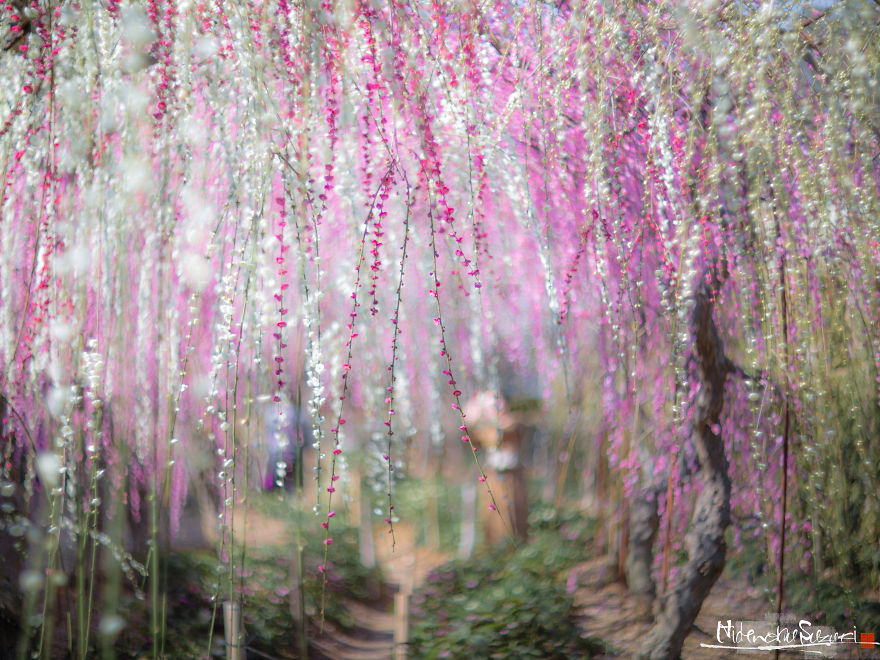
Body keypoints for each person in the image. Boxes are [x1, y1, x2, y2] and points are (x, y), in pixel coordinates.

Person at [263, 396, 311, 492]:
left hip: (289, 453)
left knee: (290, 481)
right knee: (276, 480)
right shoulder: (271, 411)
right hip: (277, 453)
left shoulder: (295, 411)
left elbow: (304, 431)